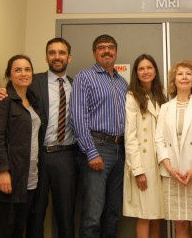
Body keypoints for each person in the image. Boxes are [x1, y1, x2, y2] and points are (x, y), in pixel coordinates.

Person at [0, 38, 78, 238]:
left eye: (62, 53)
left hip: (66, 155)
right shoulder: (32, 81)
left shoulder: (78, 85)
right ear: (46, 56)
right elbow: (13, 95)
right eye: (52, 52)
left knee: (66, 212)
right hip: (39, 157)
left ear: (69, 57)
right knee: (34, 213)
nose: (57, 57)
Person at [70, 34, 128, 238]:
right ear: (94, 52)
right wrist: (91, 152)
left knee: (113, 212)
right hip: (97, 148)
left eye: (111, 47)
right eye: (101, 47)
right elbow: (77, 117)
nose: (107, 51)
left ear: (116, 52)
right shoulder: (84, 77)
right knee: (93, 213)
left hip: (120, 152)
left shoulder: (123, 83)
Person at [0, 55, 41, 238]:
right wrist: (3, 171)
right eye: (18, 70)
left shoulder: (32, 101)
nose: (23, 73)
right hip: (8, 179)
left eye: (27, 69)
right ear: (9, 75)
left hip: (28, 179)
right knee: (4, 230)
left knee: (18, 229)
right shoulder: (2, 100)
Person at [155, 59, 192, 238]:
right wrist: (169, 168)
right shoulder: (165, 108)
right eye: (180, 74)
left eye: (188, 74)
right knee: (180, 225)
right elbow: (159, 140)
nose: (184, 77)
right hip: (172, 173)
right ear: (173, 80)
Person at [123, 54, 167, 238]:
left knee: (158, 214)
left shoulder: (161, 95)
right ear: (136, 73)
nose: (146, 71)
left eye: (149, 67)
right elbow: (130, 137)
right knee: (144, 215)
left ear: (155, 70)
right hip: (143, 163)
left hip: (161, 164)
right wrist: (138, 170)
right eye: (141, 68)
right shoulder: (132, 96)